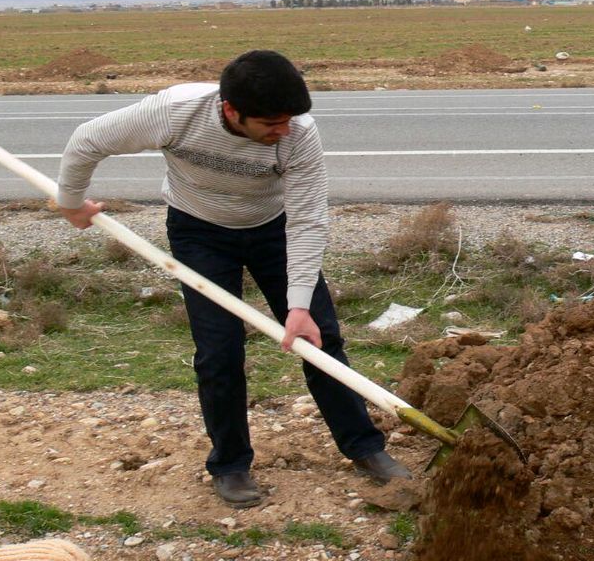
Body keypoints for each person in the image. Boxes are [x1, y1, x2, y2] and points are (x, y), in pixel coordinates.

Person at [56, 50, 411, 508]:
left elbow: (306, 220)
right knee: (219, 353)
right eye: (270, 123)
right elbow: (88, 140)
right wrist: (71, 202)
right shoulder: (174, 112)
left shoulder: (297, 132)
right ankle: (231, 464)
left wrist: (299, 306)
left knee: (321, 341)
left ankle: (365, 448)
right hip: (199, 231)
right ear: (231, 110)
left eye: (288, 120)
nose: (282, 130)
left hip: (274, 230)